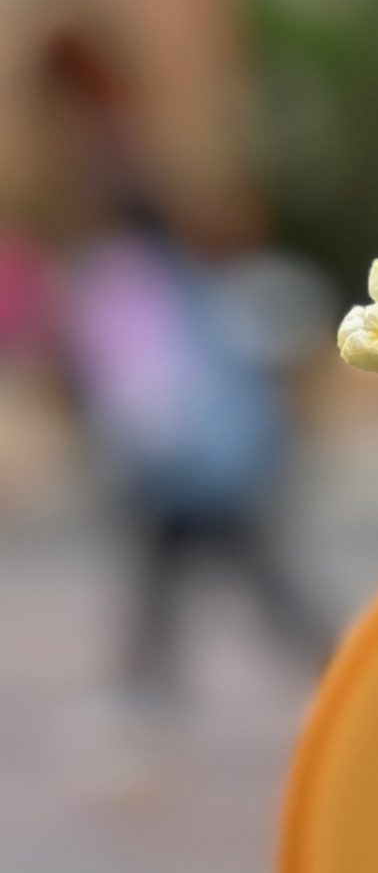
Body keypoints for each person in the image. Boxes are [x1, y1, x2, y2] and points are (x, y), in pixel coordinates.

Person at [60, 195, 334, 704]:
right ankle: (148, 685)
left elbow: (139, 381)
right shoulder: (188, 278)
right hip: (218, 462)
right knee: (203, 576)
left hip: (180, 463)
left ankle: (147, 688)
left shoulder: (129, 284)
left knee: (232, 575)